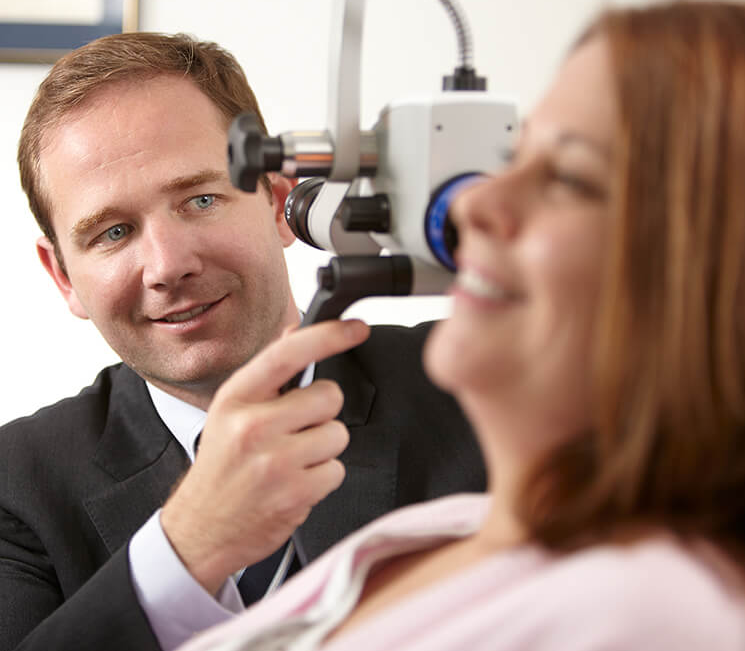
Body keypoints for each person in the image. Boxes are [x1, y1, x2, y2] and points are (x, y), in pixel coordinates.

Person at [174, 0, 745, 651]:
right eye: (518, 158)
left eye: (567, 177)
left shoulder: (648, 610)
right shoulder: (439, 531)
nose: (473, 201)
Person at [0, 33, 485, 651]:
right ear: (63, 276)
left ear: (280, 201)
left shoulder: (477, 385)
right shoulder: (14, 488)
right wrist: (187, 548)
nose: (167, 265)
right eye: (114, 232)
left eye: (200, 200)